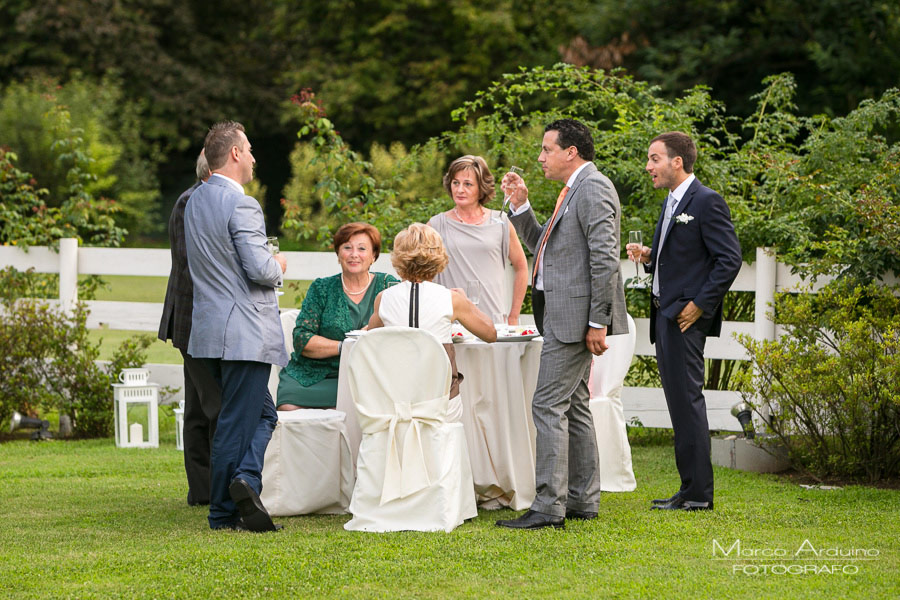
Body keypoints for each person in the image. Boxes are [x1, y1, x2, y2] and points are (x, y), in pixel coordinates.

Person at [496, 118, 627, 530]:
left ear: (571, 152)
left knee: (547, 404)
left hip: (575, 319)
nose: (540, 157)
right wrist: (520, 206)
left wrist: (596, 322)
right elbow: (543, 248)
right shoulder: (570, 192)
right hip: (562, 315)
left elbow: (606, 259)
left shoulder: (593, 188)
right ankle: (583, 499)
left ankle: (549, 507)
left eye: (547, 149)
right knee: (575, 405)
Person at [627, 131, 741, 512]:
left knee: (688, 402)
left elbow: (729, 259)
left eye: (654, 158)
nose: (648, 166)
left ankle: (697, 495)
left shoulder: (707, 201)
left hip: (685, 319)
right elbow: (680, 258)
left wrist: (700, 305)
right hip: (664, 315)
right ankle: (688, 488)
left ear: (677, 162)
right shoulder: (671, 202)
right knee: (679, 403)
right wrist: (648, 255)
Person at [184, 121, 287, 532]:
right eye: (249, 149)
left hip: (208, 332)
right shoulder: (242, 204)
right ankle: (224, 512)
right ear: (235, 155)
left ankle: (245, 477)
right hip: (244, 332)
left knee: (262, 414)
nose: (254, 157)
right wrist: (279, 264)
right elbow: (260, 269)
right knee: (235, 421)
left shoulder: (194, 200)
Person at [367, 223, 496, 421]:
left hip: (394, 402)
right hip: (441, 404)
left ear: (398, 258)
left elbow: (371, 337)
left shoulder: (383, 298)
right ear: (439, 257)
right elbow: (490, 334)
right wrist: (466, 301)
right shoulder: (452, 299)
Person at [157, 150, 221, 507]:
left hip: (201, 319)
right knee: (212, 405)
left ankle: (203, 490)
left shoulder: (200, 199)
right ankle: (210, 489)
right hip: (194, 318)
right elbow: (195, 266)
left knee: (200, 405)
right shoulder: (191, 202)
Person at [277, 222, 397, 410]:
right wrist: (345, 346)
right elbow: (302, 338)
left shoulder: (388, 285)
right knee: (289, 406)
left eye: (362, 248)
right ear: (338, 254)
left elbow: (402, 329)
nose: (354, 254)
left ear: (374, 255)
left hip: (369, 375)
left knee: (363, 408)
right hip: (317, 374)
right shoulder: (321, 288)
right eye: (347, 247)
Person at [427, 155, 528, 324]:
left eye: (467, 184)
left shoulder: (501, 222)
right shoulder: (436, 225)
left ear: (481, 188)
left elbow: (522, 268)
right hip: (449, 323)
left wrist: (513, 316)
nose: (459, 189)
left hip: (493, 322)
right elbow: (420, 274)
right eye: (455, 182)